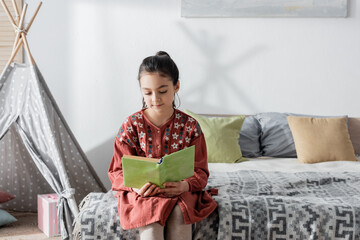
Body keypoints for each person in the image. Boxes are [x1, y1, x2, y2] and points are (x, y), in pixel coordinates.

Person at [108, 51, 217, 240]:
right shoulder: (130, 126)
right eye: (147, 92)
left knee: (179, 216)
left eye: (163, 91)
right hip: (143, 194)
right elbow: (117, 172)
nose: (155, 99)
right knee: (150, 222)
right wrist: (135, 188)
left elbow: (200, 172)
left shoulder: (191, 127)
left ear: (176, 86)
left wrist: (184, 185)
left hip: (181, 192)